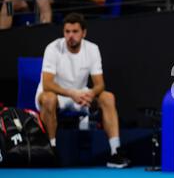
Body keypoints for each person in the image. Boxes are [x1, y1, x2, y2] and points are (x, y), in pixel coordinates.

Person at [35, 12, 131, 168]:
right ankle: (51, 151)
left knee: (108, 97)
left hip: (81, 95)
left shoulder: (92, 49)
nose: (70, 36)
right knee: (48, 98)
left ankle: (115, 152)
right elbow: (47, 84)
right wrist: (71, 93)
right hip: (56, 95)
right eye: (67, 32)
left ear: (83, 33)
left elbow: (100, 84)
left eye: (75, 32)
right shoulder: (53, 48)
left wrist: (90, 94)